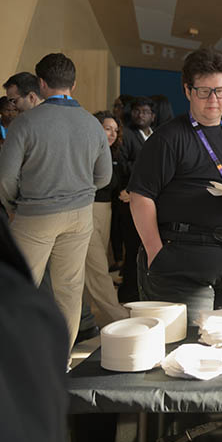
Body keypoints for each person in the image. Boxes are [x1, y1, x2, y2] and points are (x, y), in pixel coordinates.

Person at [128, 49, 222, 322]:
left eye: (220, 90)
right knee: (186, 352)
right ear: (188, 90)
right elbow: (140, 196)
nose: (214, 100)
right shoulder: (168, 138)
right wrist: (155, 251)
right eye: (204, 91)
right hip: (182, 266)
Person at [0, 53, 111, 349]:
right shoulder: (92, 124)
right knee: (69, 291)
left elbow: (5, 179)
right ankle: (59, 362)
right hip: (79, 215)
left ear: (42, 83)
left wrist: (12, 205)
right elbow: (105, 176)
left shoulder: (24, 123)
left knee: (18, 289)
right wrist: (82, 192)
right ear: (73, 84)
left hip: (35, 214)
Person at [0, 213, 69, 442]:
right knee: (69, 289)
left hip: (38, 209)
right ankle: (64, 361)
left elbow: (7, 178)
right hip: (78, 206)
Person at [84, 111, 129, 325]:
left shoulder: (115, 154)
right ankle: (120, 317)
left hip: (107, 211)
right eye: (107, 128)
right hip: (88, 210)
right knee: (97, 268)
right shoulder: (87, 151)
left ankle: (84, 319)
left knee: (88, 268)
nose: (112, 133)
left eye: (115, 130)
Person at [118, 96, 156, 302]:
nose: (140, 115)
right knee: (132, 249)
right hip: (129, 198)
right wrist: (151, 169)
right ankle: (128, 293)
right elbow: (123, 164)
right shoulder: (128, 134)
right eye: (137, 111)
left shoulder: (156, 135)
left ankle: (144, 290)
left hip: (152, 201)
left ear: (153, 116)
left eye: (145, 111)